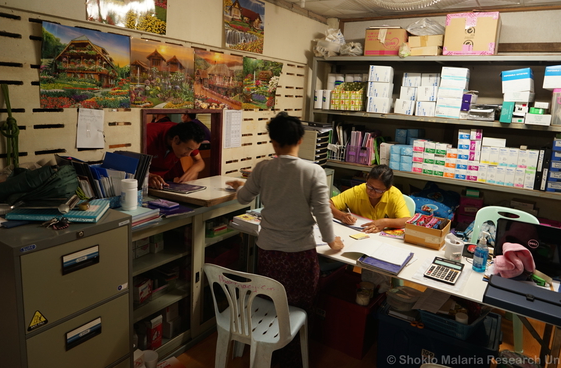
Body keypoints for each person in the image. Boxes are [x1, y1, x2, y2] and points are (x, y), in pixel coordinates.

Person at [226, 111, 343, 368]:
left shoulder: (263, 168)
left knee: (272, 303)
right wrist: (332, 241)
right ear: (301, 139)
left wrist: (239, 186)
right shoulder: (313, 172)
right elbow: (323, 212)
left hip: (269, 253)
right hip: (300, 255)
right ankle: (293, 358)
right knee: (300, 308)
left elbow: (244, 198)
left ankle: (267, 353)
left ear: (273, 142)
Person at [330, 164, 411, 233]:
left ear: (388, 188)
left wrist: (385, 222)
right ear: (367, 178)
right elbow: (327, 204)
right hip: (359, 234)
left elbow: (406, 221)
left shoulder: (394, 195)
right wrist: (341, 216)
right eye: (370, 187)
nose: (372, 192)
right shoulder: (358, 191)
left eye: (378, 190)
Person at [146, 121, 206, 189]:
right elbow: (132, 165)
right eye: (188, 149)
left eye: (192, 150)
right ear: (176, 139)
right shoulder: (148, 134)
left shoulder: (189, 136)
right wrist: (149, 176)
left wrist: (194, 169)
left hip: (166, 182)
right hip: (143, 182)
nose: (189, 154)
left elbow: (199, 161)